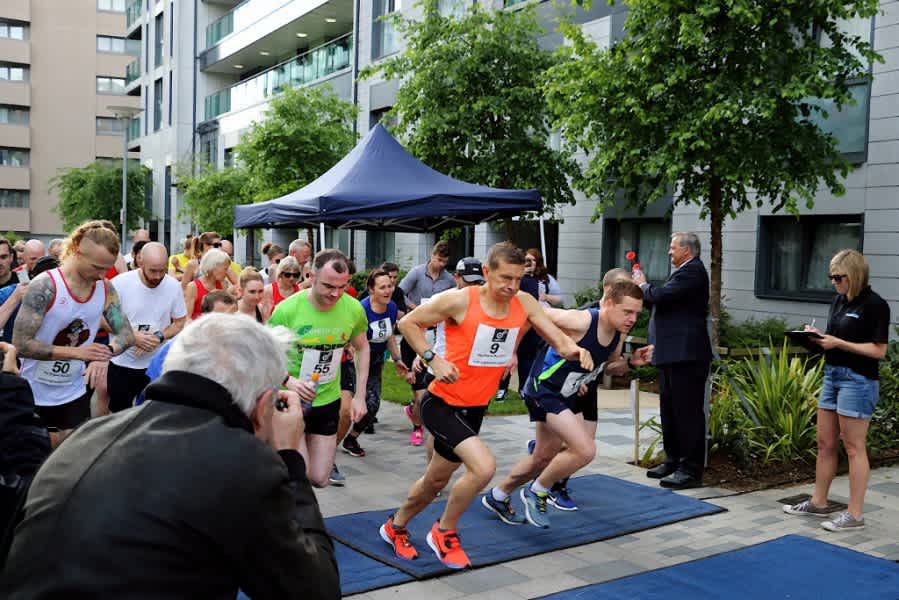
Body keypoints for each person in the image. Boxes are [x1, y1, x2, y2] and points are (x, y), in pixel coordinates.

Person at [1, 313, 340, 598]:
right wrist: (290, 459)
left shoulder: (90, 432)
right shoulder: (242, 462)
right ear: (265, 403)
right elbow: (316, 590)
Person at [380, 242, 592, 569]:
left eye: (518, 279)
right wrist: (433, 359)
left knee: (435, 482)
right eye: (505, 278)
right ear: (486, 272)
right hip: (441, 403)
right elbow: (408, 324)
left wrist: (576, 350)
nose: (512, 286)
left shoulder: (523, 302)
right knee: (483, 468)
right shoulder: (458, 300)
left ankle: (395, 527)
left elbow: (557, 338)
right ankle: (444, 532)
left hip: (475, 407)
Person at [484, 281, 652, 529]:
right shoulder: (581, 320)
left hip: (565, 393)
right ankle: (538, 490)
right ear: (608, 303)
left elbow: (608, 367)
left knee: (542, 457)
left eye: (636, 313)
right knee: (585, 450)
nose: (633, 319)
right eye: (627, 311)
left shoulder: (618, 332)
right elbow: (530, 314)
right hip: (543, 389)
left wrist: (631, 362)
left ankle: (498, 495)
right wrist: (512, 352)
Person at [783, 250, 890, 532]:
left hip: (858, 380)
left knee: (854, 448)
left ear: (853, 275)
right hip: (832, 376)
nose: (833, 281)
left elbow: (879, 351)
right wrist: (816, 338)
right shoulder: (838, 301)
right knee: (824, 443)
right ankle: (818, 502)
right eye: (830, 277)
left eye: (838, 277)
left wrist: (838, 343)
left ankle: (854, 515)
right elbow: (835, 339)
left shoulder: (875, 305)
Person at [12, 221, 135, 447]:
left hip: (73, 393)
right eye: (96, 267)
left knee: (72, 455)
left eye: (106, 268)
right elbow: (20, 344)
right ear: (77, 252)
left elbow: (126, 334)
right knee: (40, 455)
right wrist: (78, 353)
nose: (102, 275)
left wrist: (105, 351)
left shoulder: (105, 288)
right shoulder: (46, 286)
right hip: (35, 391)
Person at [268, 249, 370, 488]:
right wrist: (289, 381)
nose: (335, 294)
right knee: (299, 474)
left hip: (327, 399)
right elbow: (266, 355)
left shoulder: (353, 308)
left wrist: (360, 396)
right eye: (328, 286)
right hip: (291, 400)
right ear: (311, 276)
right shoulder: (287, 310)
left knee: (319, 478)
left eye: (342, 287)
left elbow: (362, 347)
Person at [632, 231, 712, 489]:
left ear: (686, 250)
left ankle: (690, 470)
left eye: (673, 247)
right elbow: (663, 302)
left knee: (687, 413)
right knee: (670, 410)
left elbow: (661, 296)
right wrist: (645, 292)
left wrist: (643, 286)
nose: (669, 252)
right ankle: (673, 460)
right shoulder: (683, 273)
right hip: (672, 355)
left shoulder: (693, 271)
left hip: (687, 356)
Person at [106, 243, 187, 413]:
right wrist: (132, 336)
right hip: (122, 363)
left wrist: (159, 336)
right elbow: (102, 319)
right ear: (140, 261)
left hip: (155, 364)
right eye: (153, 271)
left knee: (152, 414)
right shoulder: (120, 283)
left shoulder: (173, 286)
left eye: (162, 270)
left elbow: (179, 322)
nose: (158, 276)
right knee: (119, 414)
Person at [341, 270, 408, 458]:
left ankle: (351, 439)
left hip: (376, 360)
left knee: (373, 405)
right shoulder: (361, 310)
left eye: (390, 286)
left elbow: (390, 336)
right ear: (371, 290)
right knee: (351, 405)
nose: (388, 291)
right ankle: (332, 437)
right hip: (356, 361)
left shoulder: (392, 307)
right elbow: (348, 338)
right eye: (382, 287)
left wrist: (397, 359)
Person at [398, 241, 456, 444]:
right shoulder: (416, 273)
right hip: (414, 332)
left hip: (434, 334)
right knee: (418, 390)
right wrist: (414, 308)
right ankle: (417, 427)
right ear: (432, 255)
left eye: (444, 262)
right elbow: (399, 293)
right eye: (438, 260)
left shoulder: (449, 280)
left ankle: (418, 414)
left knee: (427, 389)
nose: (440, 264)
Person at [184, 249, 232, 321]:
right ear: (214, 267)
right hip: (198, 325)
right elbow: (187, 317)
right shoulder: (193, 287)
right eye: (225, 269)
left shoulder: (223, 284)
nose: (227, 272)